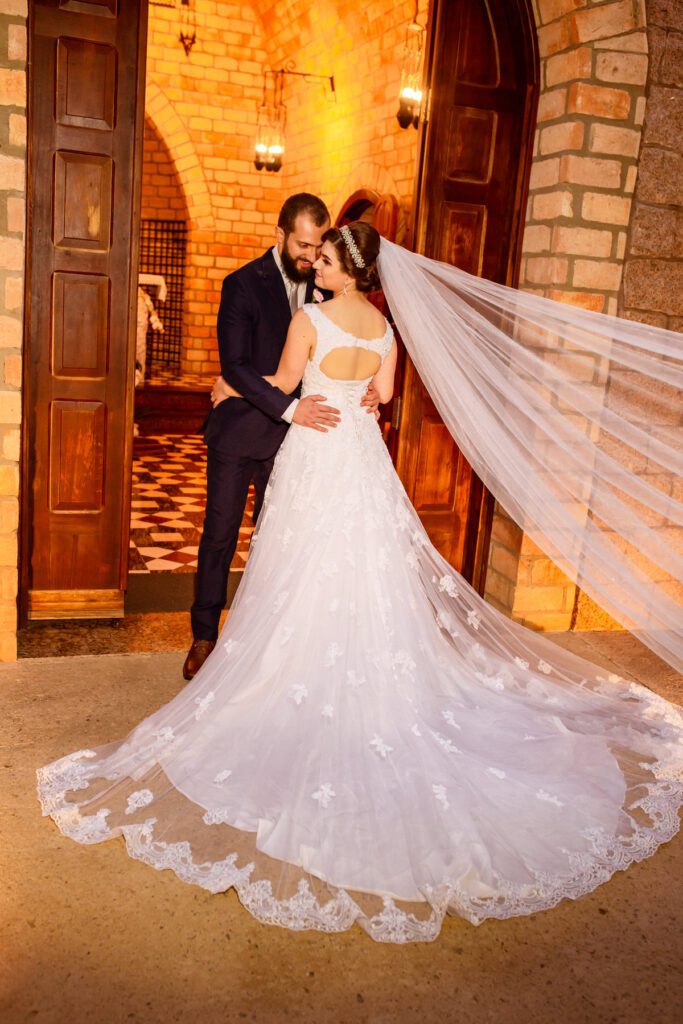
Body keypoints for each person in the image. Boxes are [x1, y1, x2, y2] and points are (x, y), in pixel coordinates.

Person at [37, 223, 683, 944]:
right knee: (366, 569)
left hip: (314, 458)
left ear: (345, 269)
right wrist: (352, 403)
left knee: (297, 567)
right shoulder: (383, 327)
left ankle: (289, 677)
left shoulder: (310, 320)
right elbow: (380, 396)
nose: (314, 264)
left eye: (323, 257)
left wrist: (229, 385)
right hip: (361, 460)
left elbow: (282, 386)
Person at [184, 194, 379, 680]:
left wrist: (368, 388)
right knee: (220, 535)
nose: (312, 258)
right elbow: (235, 366)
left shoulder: (326, 289)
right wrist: (290, 408)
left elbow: (347, 347)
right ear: (280, 235)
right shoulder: (243, 285)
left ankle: (264, 643)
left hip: (299, 445)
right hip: (243, 431)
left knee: (280, 542)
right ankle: (204, 637)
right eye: (304, 246)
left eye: (319, 248)